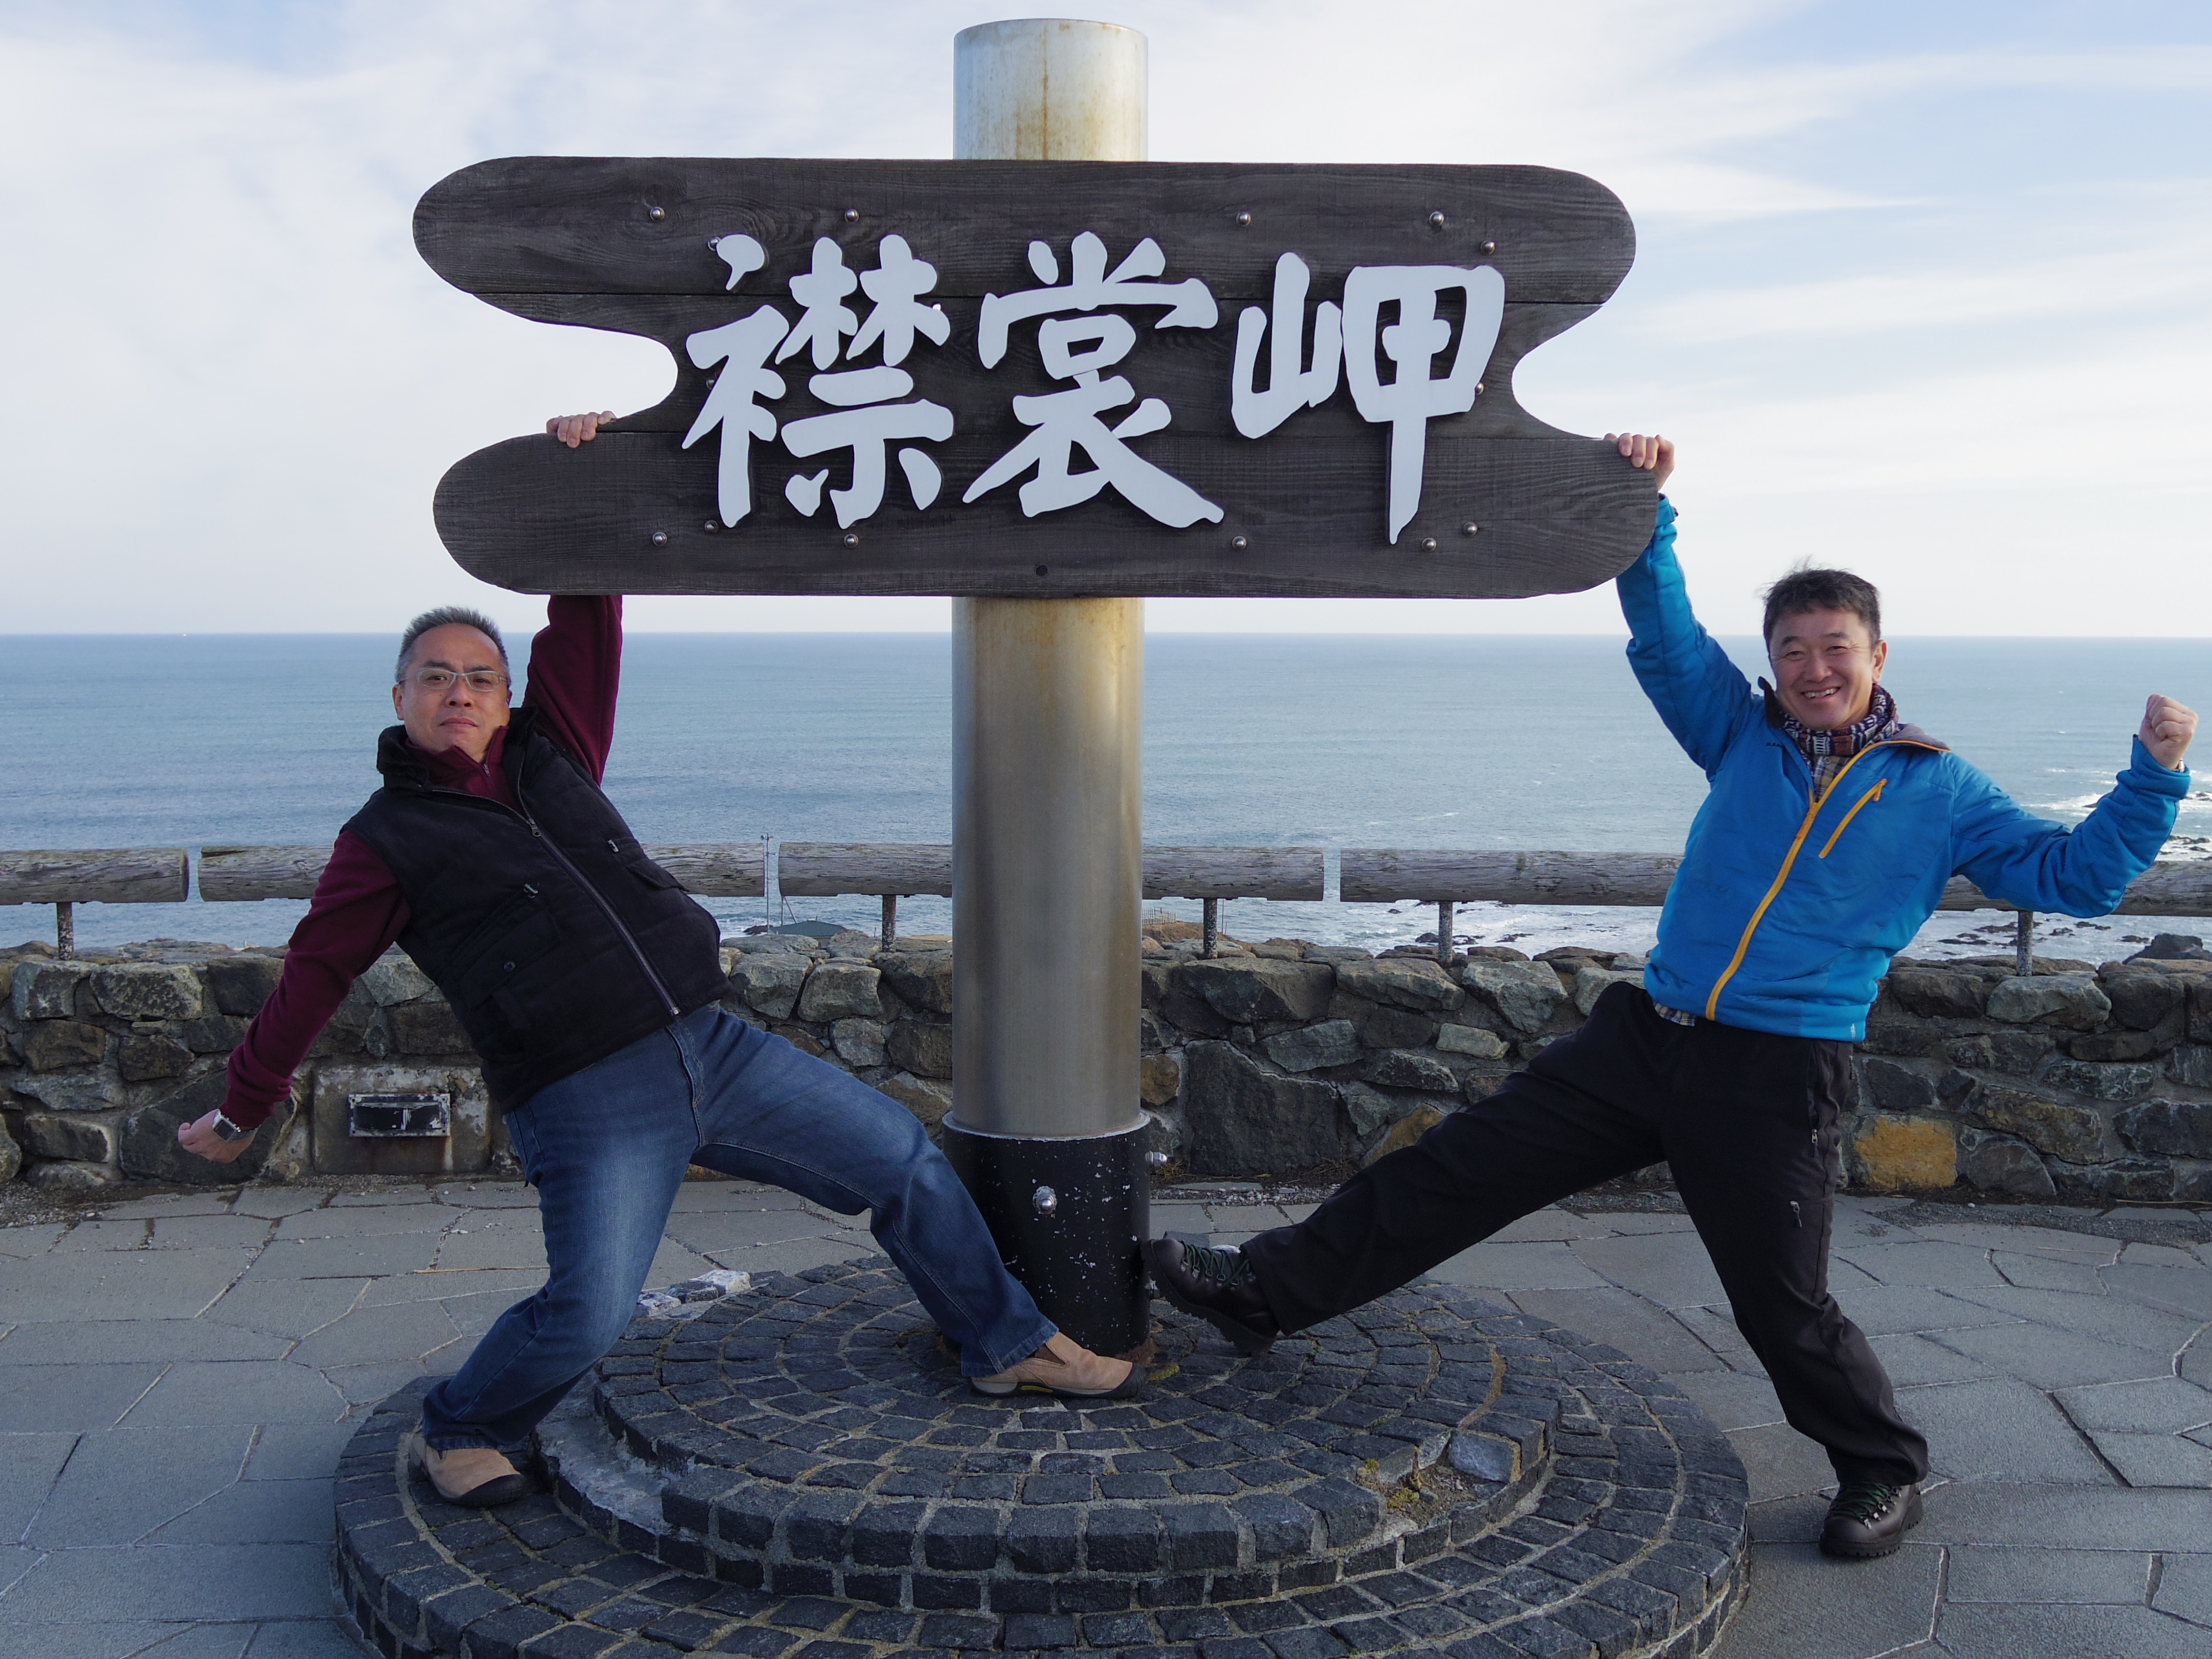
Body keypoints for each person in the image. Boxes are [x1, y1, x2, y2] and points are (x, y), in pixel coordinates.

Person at [1150, 432, 2197, 1562]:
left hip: (1776, 1068)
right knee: (1457, 1168)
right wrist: (1648, 509)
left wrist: (2152, 775)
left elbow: (2075, 880)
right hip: (1645, 1036)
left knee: (1779, 1300)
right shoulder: (1738, 731)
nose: (1813, 669)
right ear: (1772, 663)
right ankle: (1261, 1293)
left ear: (1877, 653)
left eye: (1834, 648)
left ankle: (1881, 1469)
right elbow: (1664, 639)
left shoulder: (1938, 788)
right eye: (1791, 650)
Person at [179, 410, 1136, 1508]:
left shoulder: (553, 753)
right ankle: (462, 1426)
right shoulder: (383, 841)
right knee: (589, 1313)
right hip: (586, 1097)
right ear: (399, 698)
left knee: (901, 1160)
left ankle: (1005, 1342)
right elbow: (313, 975)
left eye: (481, 677)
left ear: (507, 698)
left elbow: (587, 611)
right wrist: (245, 1105)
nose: (460, 693)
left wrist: (589, 478)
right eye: (435, 677)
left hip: (711, 1043)